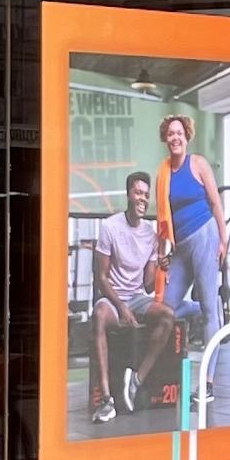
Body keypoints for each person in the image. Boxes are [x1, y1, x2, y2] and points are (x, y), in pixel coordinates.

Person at [89, 172, 172, 424]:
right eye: (138, 193)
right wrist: (121, 308)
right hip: (114, 299)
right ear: (128, 195)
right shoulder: (110, 226)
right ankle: (106, 400)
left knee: (168, 316)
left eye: (146, 195)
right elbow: (101, 277)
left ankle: (135, 381)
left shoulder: (150, 234)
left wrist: (161, 265)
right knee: (98, 317)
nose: (142, 199)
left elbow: (147, 286)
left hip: (136, 297)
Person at [154, 114, 230, 345]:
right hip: (180, 247)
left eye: (179, 133)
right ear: (165, 139)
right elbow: (163, 219)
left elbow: (216, 203)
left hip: (205, 236)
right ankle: (202, 305)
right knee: (164, 308)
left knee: (210, 314)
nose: (175, 137)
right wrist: (162, 254)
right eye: (170, 134)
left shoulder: (197, 163)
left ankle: (208, 379)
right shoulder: (164, 172)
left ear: (186, 136)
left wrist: (223, 241)